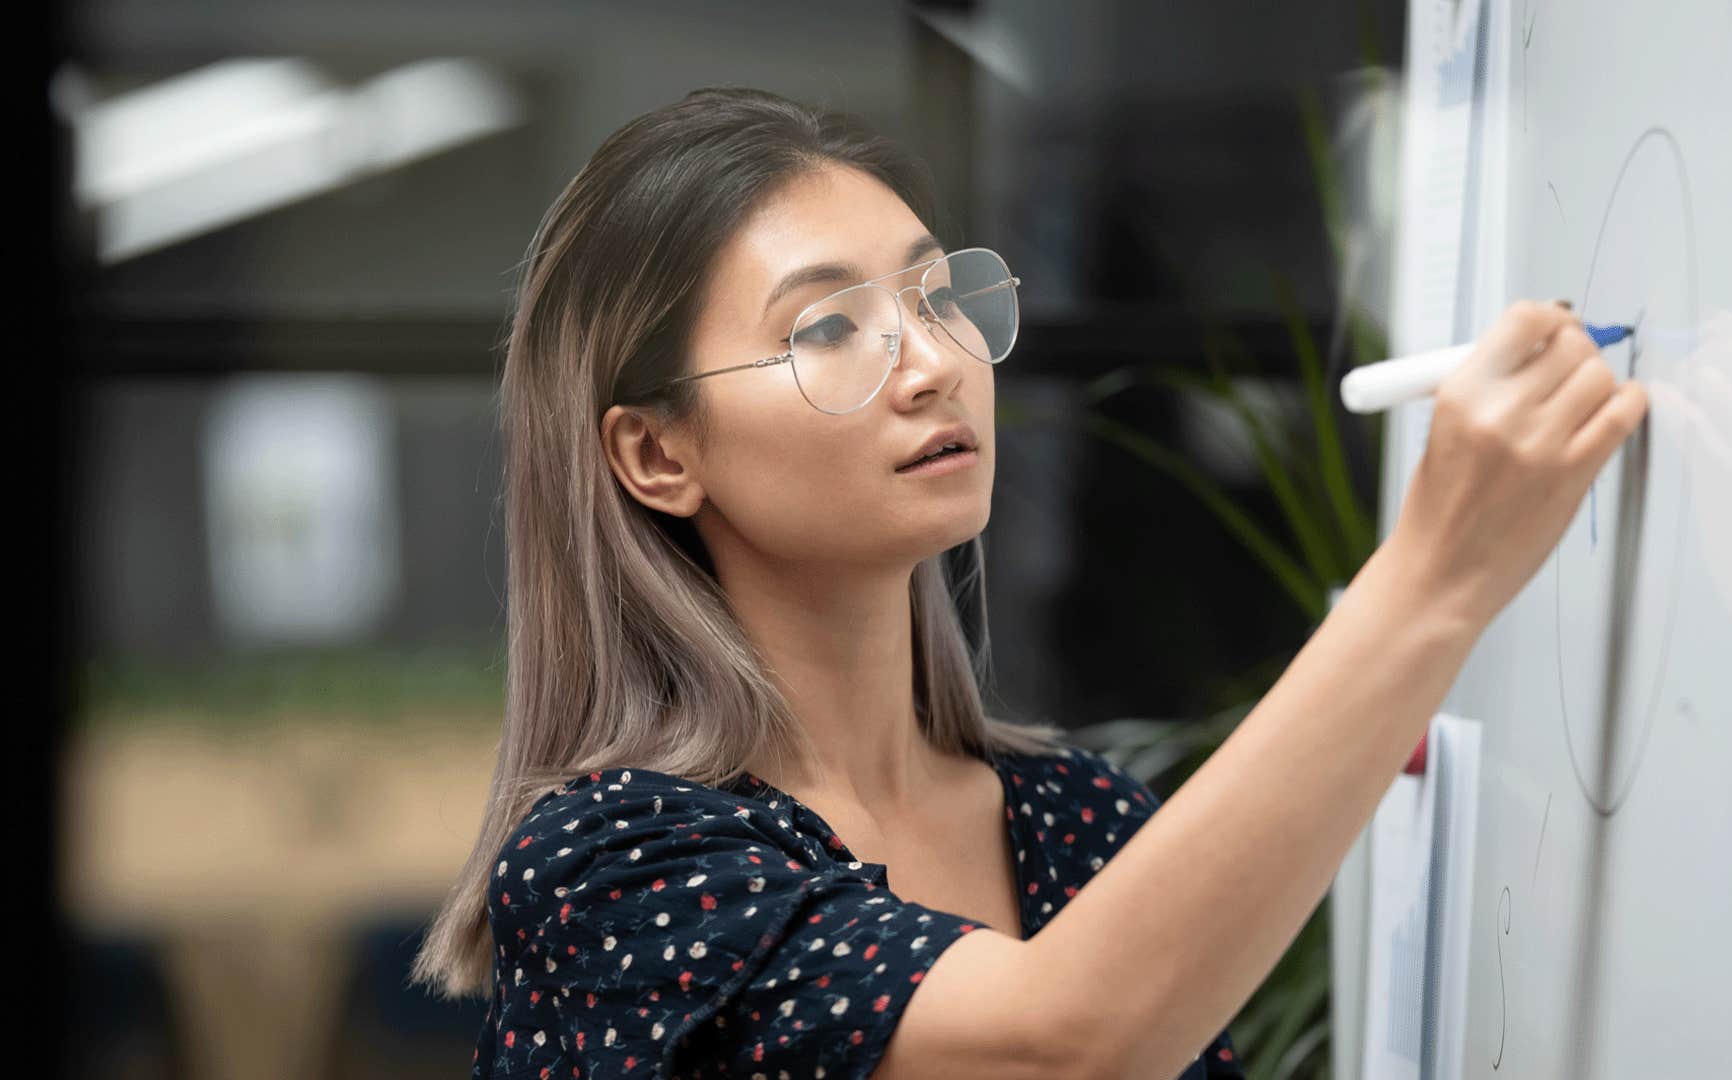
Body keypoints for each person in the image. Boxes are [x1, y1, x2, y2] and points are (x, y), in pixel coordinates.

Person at [410, 85, 1648, 1080]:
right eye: (830, 328)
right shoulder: (610, 865)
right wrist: (1435, 574)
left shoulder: (1075, 819)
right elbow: (1069, 1042)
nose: (934, 363)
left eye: (938, 296)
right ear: (656, 451)